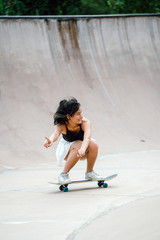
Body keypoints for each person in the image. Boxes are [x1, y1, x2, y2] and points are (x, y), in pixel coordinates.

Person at [44, 98, 101, 184]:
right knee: (78, 144)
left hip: (81, 150)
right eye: (78, 114)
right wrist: (51, 140)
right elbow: (55, 134)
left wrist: (82, 149)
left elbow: (87, 138)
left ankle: (89, 172)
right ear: (69, 116)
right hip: (67, 151)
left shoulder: (85, 123)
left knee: (94, 144)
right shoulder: (62, 125)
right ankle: (64, 174)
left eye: (81, 113)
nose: (81, 116)